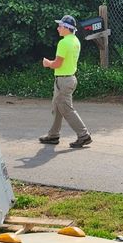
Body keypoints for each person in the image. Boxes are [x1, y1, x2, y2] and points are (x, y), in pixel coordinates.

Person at [39, 14, 92, 148]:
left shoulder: (64, 42)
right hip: (68, 79)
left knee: (67, 110)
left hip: (63, 80)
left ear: (67, 28)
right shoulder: (75, 40)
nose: (58, 28)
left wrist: (47, 63)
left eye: (60, 26)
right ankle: (53, 135)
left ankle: (84, 135)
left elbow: (57, 64)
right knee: (57, 108)